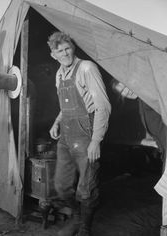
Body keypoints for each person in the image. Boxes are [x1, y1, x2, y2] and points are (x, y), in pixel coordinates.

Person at [47, 31, 111, 236]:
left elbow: (103, 106)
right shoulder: (59, 73)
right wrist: (56, 122)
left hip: (86, 132)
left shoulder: (86, 68)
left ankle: (85, 229)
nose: (65, 53)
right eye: (60, 51)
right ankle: (76, 216)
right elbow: (64, 106)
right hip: (66, 134)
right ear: (53, 55)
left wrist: (96, 140)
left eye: (67, 48)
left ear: (73, 47)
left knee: (86, 186)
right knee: (61, 185)